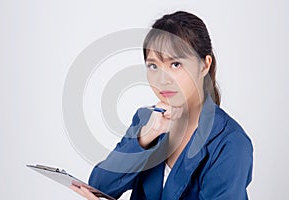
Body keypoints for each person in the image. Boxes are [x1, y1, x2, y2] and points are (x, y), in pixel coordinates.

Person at [70, 11, 253, 200]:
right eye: (153, 66)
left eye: (175, 64)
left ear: (204, 65)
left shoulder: (230, 142)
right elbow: (99, 186)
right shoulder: (147, 120)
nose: (162, 80)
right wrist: (145, 137)